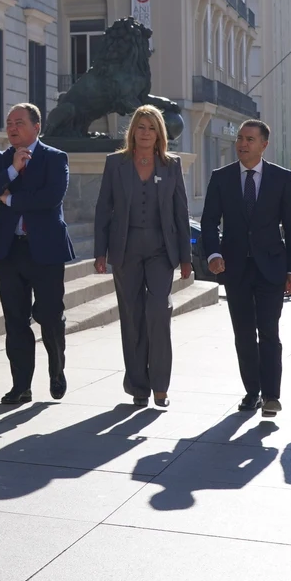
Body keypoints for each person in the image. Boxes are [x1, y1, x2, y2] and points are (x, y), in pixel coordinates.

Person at [196, 118, 291, 418]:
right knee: (243, 332)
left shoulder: (281, 178)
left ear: (264, 144)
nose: (242, 144)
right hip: (236, 267)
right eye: (240, 138)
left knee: (269, 330)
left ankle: (271, 395)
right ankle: (252, 391)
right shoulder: (221, 177)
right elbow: (208, 221)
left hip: (272, 267)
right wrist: (214, 253)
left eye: (249, 139)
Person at [92, 105, 192, 408]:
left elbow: (181, 212)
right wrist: (100, 252)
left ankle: (161, 385)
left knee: (159, 311)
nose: (145, 132)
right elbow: (102, 209)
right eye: (140, 127)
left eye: (151, 127)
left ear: (159, 133)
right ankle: (138, 385)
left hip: (162, 251)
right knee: (132, 317)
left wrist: (186, 256)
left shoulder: (171, 165)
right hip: (126, 249)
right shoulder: (115, 164)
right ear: (132, 131)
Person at [0, 103, 75, 405]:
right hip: (10, 250)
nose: (11, 127)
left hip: (45, 249)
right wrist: (12, 170)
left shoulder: (55, 158)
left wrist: (8, 199)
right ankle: (21, 385)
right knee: (15, 321)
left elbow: (50, 198)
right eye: (8, 122)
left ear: (36, 127)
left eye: (19, 122)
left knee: (49, 316)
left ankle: (56, 368)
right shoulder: (0, 160)